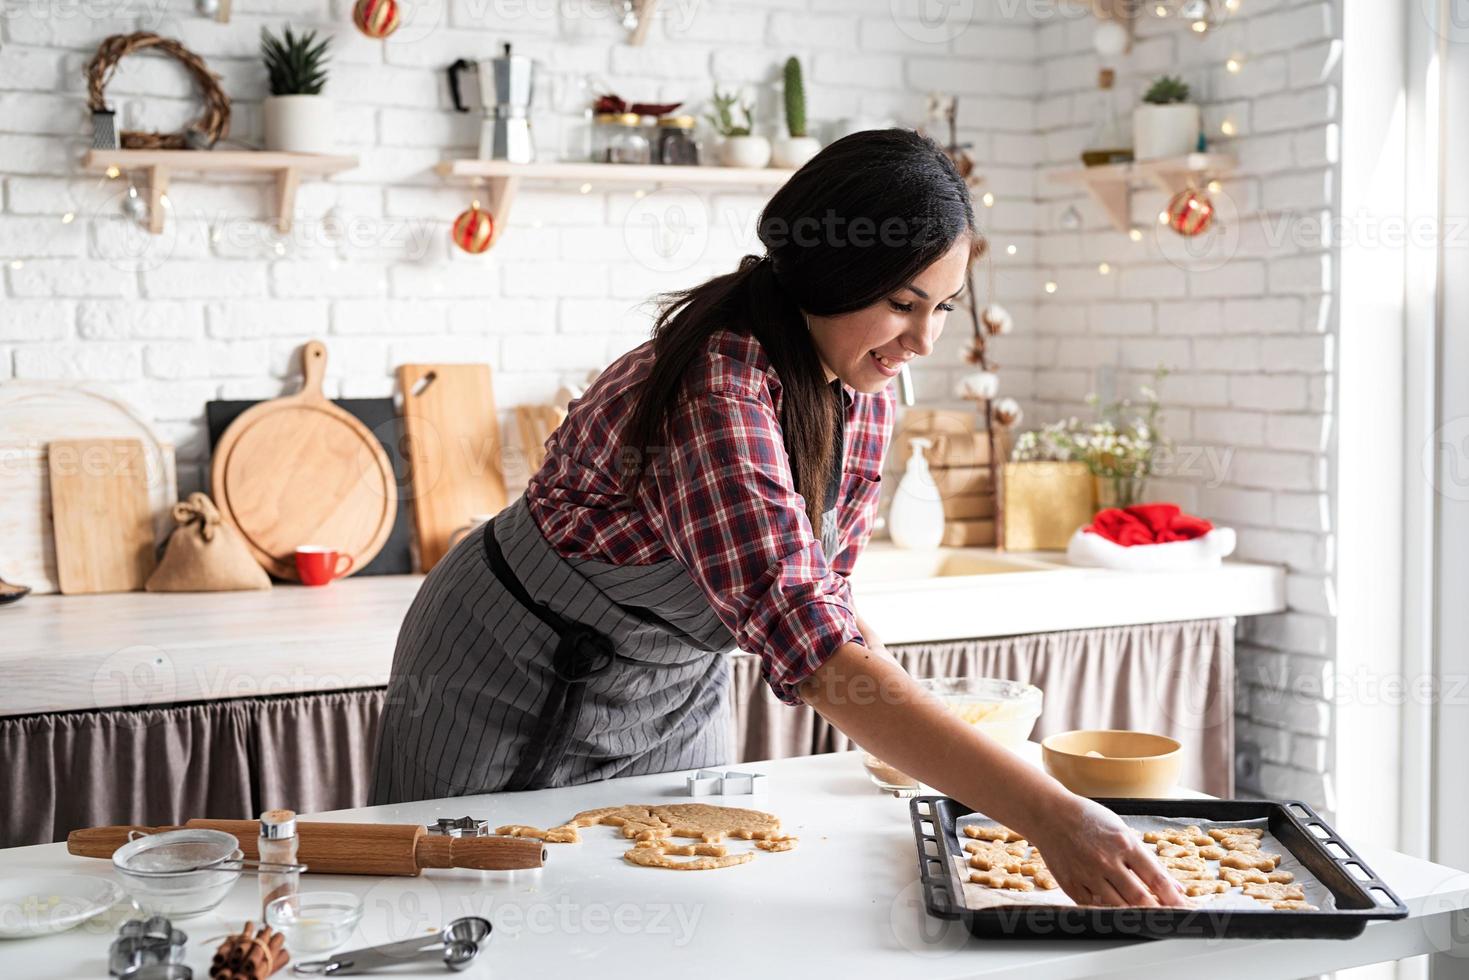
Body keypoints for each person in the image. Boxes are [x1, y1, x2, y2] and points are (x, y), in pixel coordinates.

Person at [370, 128, 1187, 908]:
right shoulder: (714, 393)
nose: (925, 340)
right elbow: (814, 646)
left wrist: (915, 744)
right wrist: (1050, 814)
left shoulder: (859, 387)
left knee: (673, 909)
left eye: (942, 307)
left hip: (670, 685)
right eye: (904, 303)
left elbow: (824, 596)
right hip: (508, 668)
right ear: (829, 271)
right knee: (469, 906)